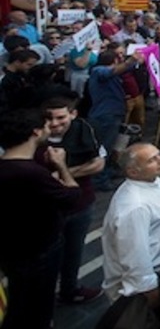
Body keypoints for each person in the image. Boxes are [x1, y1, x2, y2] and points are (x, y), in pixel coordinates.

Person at [0, 109, 81, 329]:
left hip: (12, 251)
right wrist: (61, 166)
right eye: (46, 126)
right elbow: (73, 197)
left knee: (19, 302)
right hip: (39, 251)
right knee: (36, 308)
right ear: (36, 131)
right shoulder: (31, 173)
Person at [100, 143, 160, 329]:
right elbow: (135, 255)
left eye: (159, 155)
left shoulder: (151, 181)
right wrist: (151, 292)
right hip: (144, 291)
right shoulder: (134, 207)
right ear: (133, 172)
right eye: (152, 160)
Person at [44, 96, 106, 305]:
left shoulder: (86, 130)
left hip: (81, 204)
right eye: (49, 118)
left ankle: (69, 290)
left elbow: (98, 164)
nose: (54, 123)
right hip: (48, 210)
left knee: (74, 250)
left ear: (73, 114)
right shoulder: (34, 137)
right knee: (47, 257)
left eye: (61, 117)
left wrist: (64, 172)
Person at [88, 49, 145, 190]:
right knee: (104, 148)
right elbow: (110, 72)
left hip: (113, 114)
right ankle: (100, 180)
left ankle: (107, 171)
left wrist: (137, 62)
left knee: (112, 146)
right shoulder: (98, 71)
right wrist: (130, 61)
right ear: (114, 61)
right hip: (106, 115)